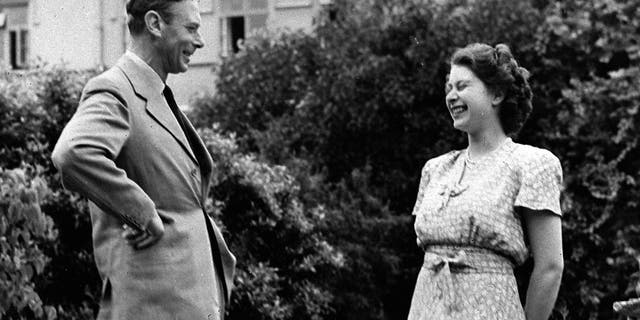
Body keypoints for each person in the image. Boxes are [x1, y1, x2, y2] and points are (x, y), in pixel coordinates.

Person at [51, 1, 235, 319]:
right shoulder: (114, 90)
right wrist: (141, 213)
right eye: (191, 28)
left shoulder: (156, 94)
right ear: (154, 24)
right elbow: (73, 152)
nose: (200, 41)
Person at [407, 43, 564, 320]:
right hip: (427, 308)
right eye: (449, 88)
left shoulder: (530, 164)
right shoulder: (435, 169)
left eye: (463, 86)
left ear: (497, 93)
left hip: (490, 309)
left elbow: (550, 266)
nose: (452, 96)